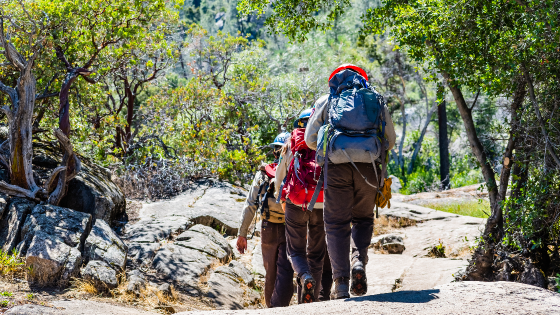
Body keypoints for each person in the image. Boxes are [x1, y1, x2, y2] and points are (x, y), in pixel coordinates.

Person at [305, 64, 396, 299]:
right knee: (363, 219)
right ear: (363, 79)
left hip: (336, 168)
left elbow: (309, 139)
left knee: (336, 224)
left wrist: (334, 149)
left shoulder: (328, 99)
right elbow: (391, 139)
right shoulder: (375, 99)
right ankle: (358, 262)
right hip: (369, 166)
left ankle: (342, 283)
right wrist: (369, 150)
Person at [236, 131, 294, 308]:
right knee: (286, 270)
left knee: (270, 273)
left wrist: (242, 234)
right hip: (291, 227)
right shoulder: (296, 172)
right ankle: (280, 307)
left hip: (268, 227)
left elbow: (250, 204)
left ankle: (272, 308)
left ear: (275, 151)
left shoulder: (263, 173)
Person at [275, 109, 326, 303]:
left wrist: (281, 198)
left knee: (295, 251)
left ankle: (304, 277)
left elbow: (279, 176)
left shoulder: (291, 142)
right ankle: (312, 302)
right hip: (321, 203)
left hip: (296, 202)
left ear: (299, 123)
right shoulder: (326, 142)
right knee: (317, 254)